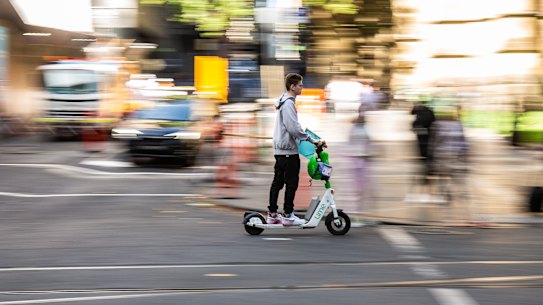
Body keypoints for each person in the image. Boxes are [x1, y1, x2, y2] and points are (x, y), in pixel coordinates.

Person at [268, 73, 323, 225]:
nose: (302, 87)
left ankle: (272, 214)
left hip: (280, 151)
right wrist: (311, 139)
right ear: (292, 86)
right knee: (291, 183)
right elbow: (293, 128)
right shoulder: (288, 104)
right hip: (288, 151)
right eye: (300, 85)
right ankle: (287, 214)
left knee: (277, 183)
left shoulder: (283, 102)